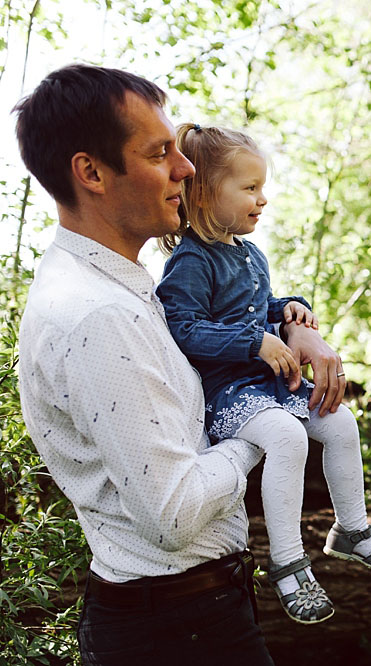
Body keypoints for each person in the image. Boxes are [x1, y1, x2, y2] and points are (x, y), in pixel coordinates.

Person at [12, 64, 319, 665]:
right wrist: (267, 430)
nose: (186, 168)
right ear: (92, 172)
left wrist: (291, 325)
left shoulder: (125, 288)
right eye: (160, 153)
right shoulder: (97, 315)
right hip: (177, 628)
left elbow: (216, 341)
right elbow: (174, 515)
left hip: (186, 613)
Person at [155, 124, 371, 624]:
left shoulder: (250, 254)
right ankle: (288, 560)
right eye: (249, 188)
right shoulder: (189, 260)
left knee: (340, 423)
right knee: (289, 438)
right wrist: (254, 341)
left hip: (269, 386)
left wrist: (290, 308)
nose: (262, 199)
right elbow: (182, 328)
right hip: (227, 394)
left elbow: (255, 307)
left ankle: (351, 529)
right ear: (203, 192)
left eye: (262, 187)